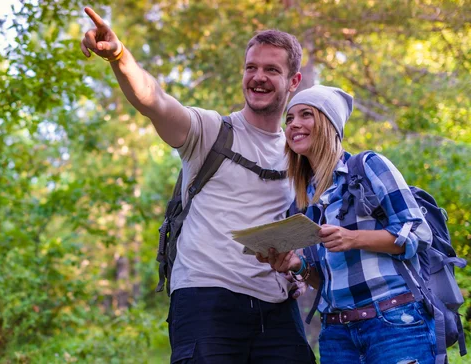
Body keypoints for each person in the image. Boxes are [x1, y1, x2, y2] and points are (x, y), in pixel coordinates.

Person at [80, 7, 315, 363]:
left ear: (293, 81)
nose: (258, 77)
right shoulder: (209, 132)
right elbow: (154, 101)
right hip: (206, 298)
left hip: (276, 308)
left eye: (271, 70)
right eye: (251, 67)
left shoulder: (297, 153)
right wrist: (119, 56)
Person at [257, 85, 436, 363]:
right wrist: (297, 266)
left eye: (306, 114)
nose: (294, 124)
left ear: (329, 124)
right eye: (289, 118)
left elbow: (420, 233)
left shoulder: (369, 166)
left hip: (394, 323)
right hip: (336, 334)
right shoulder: (303, 200)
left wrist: (354, 238)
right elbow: (325, 281)